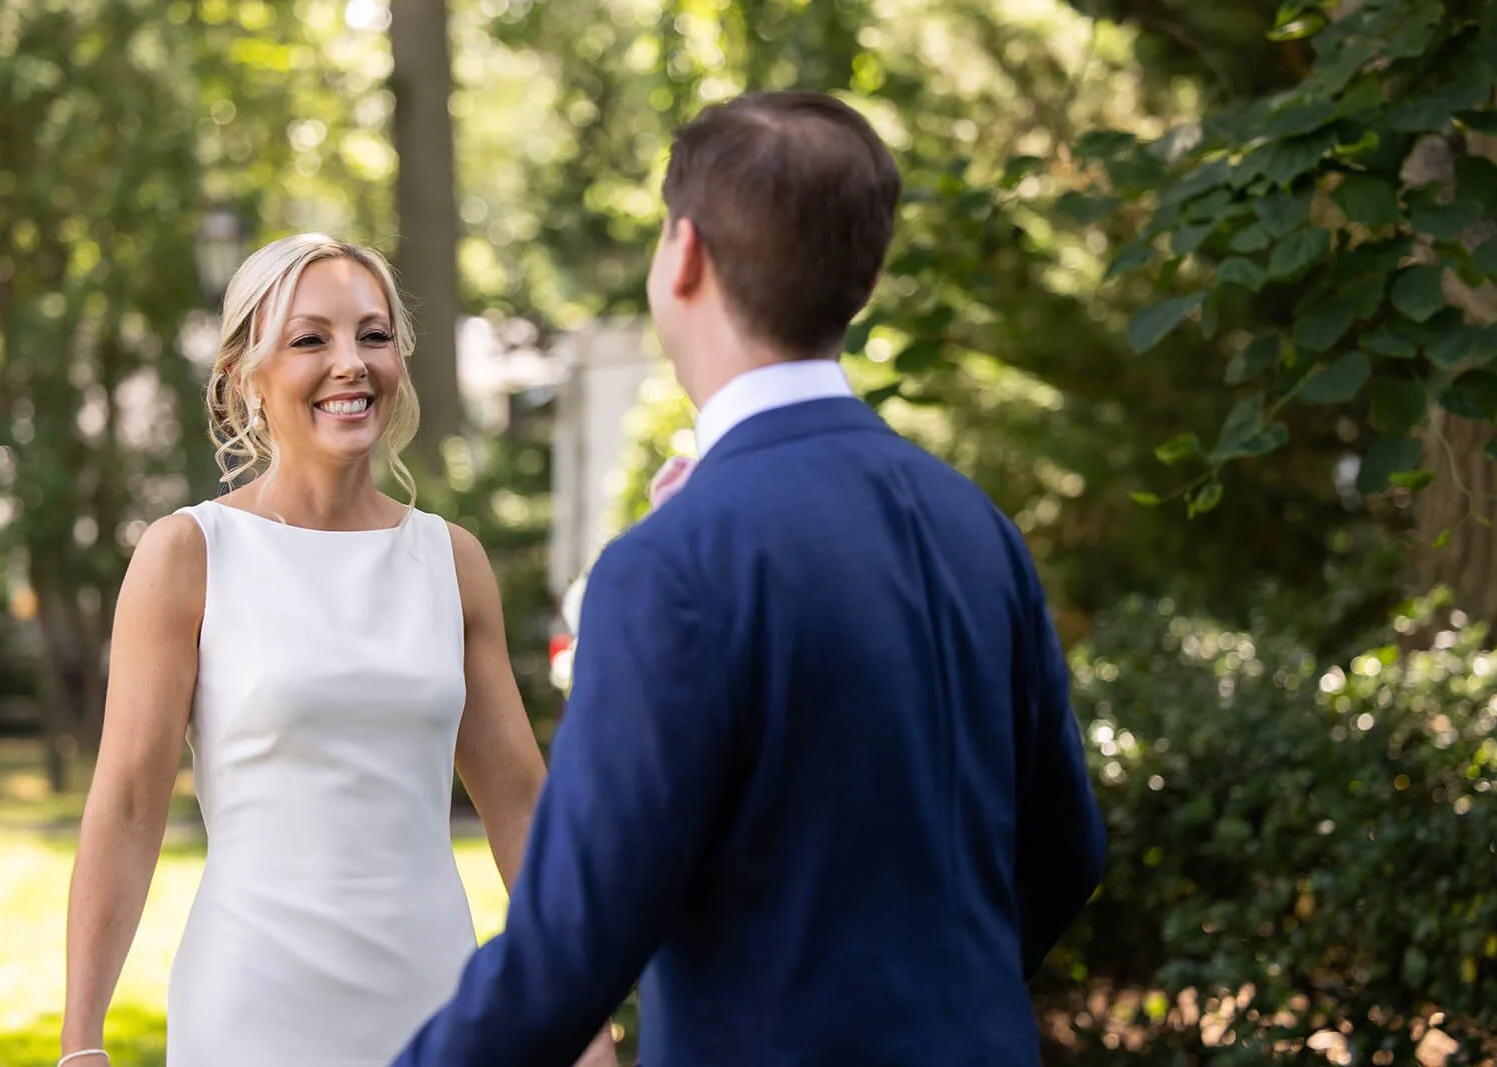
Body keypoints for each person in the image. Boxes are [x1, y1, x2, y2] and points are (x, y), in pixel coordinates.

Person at [390, 91, 1107, 1067]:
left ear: (682, 255)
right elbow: (1067, 848)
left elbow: (569, 945)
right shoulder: (975, 525)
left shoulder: (668, 564)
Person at [59, 234, 614, 1067]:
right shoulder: (188, 555)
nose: (351, 363)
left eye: (374, 335)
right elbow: (130, 804)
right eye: (310, 338)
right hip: (252, 1005)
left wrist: (586, 1017)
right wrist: (80, 1042)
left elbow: (521, 806)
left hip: (436, 997)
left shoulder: (451, 560)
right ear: (245, 373)